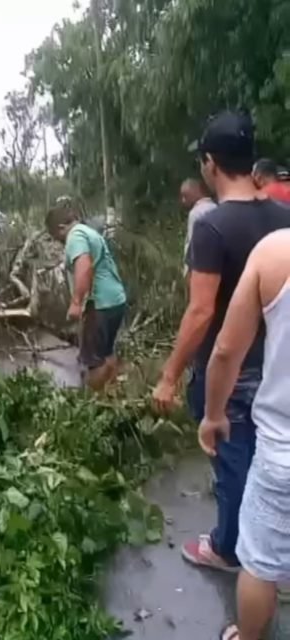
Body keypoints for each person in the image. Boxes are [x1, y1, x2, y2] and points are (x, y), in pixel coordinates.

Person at [152, 110, 290, 571]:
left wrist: (169, 376)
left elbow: (201, 311)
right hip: (276, 366)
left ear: (210, 163)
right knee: (272, 461)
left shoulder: (211, 226)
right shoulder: (284, 217)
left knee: (234, 465)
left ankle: (229, 548)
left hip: (229, 372)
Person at [199, 229, 290, 640]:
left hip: (283, 450)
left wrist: (213, 414)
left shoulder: (275, 252)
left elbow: (226, 350)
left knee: (259, 562)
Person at [46, 200, 126, 390]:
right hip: (115, 301)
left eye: (56, 237)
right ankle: (111, 398)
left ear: (60, 228)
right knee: (106, 354)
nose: (58, 242)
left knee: (93, 362)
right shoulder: (88, 232)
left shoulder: (75, 236)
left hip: (98, 304)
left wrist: (76, 302)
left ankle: (93, 409)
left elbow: (84, 265)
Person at [180, 178, 216, 275]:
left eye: (185, 196)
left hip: (198, 269)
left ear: (196, 192)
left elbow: (193, 244)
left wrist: (189, 271)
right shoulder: (216, 207)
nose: (183, 201)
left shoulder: (196, 213)